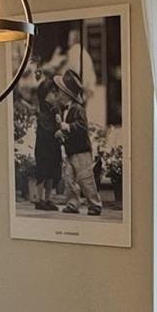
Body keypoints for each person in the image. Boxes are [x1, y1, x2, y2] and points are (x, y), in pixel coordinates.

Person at [58, 68, 102, 216]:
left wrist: (68, 127)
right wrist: (62, 133)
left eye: (61, 92)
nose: (59, 94)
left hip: (81, 151)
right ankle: (72, 203)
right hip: (71, 150)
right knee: (69, 178)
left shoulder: (78, 109)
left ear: (67, 94)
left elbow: (82, 127)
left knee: (85, 179)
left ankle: (94, 204)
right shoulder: (67, 109)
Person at [29, 74, 63, 211]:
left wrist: (59, 124)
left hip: (53, 146)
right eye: (52, 92)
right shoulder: (42, 109)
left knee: (51, 174)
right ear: (45, 94)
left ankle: (48, 199)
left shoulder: (54, 109)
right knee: (42, 173)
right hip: (44, 146)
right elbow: (46, 127)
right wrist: (56, 127)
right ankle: (39, 199)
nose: (55, 95)